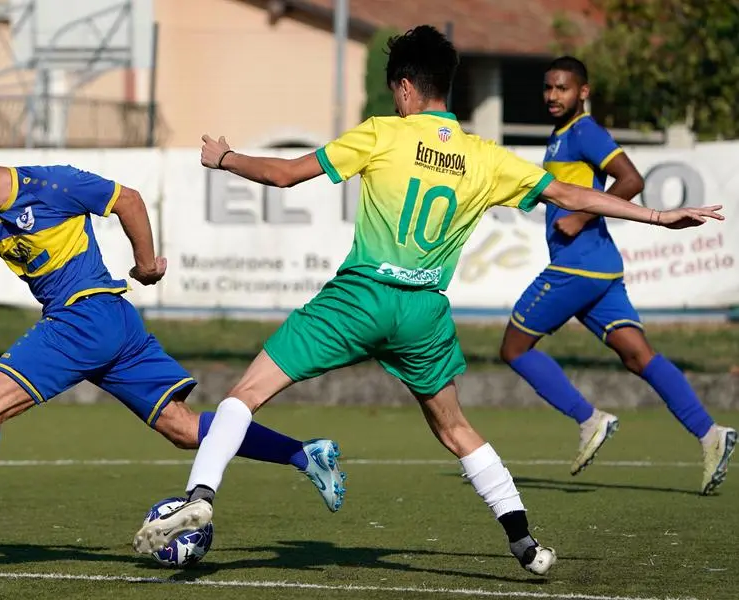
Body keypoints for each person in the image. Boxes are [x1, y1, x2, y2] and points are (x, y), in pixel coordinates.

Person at [133, 26, 723, 576]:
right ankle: (525, 543)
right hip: (423, 312)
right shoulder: (484, 156)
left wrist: (225, 158)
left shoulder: (383, 133)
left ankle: (200, 497)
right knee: (455, 428)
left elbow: (288, 174)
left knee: (246, 394)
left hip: (359, 298)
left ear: (408, 88)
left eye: (397, 91)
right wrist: (655, 215)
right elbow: (570, 192)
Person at [0, 135, 346, 567]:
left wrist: (147, 264)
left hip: (84, 315)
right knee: (182, 428)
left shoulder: (53, 185)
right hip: (111, 323)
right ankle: (305, 455)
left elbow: (127, 200)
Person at [498, 56, 736, 494]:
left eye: (563, 88)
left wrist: (581, 218)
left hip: (576, 267)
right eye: (548, 88)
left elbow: (631, 178)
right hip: (601, 268)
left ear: (583, 93)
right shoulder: (560, 136)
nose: (553, 96)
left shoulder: (584, 131)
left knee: (514, 348)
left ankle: (589, 419)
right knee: (638, 356)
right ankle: (711, 434)